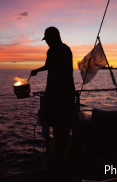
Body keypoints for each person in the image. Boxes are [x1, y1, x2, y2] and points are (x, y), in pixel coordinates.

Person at [30, 27, 81, 168]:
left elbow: (52, 76)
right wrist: (37, 71)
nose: (47, 43)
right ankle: (76, 154)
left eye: (47, 40)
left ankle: (59, 162)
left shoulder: (52, 50)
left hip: (58, 95)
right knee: (70, 123)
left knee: (58, 127)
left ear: (53, 38)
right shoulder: (67, 49)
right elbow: (50, 66)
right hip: (69, 93)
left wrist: (47, 98)